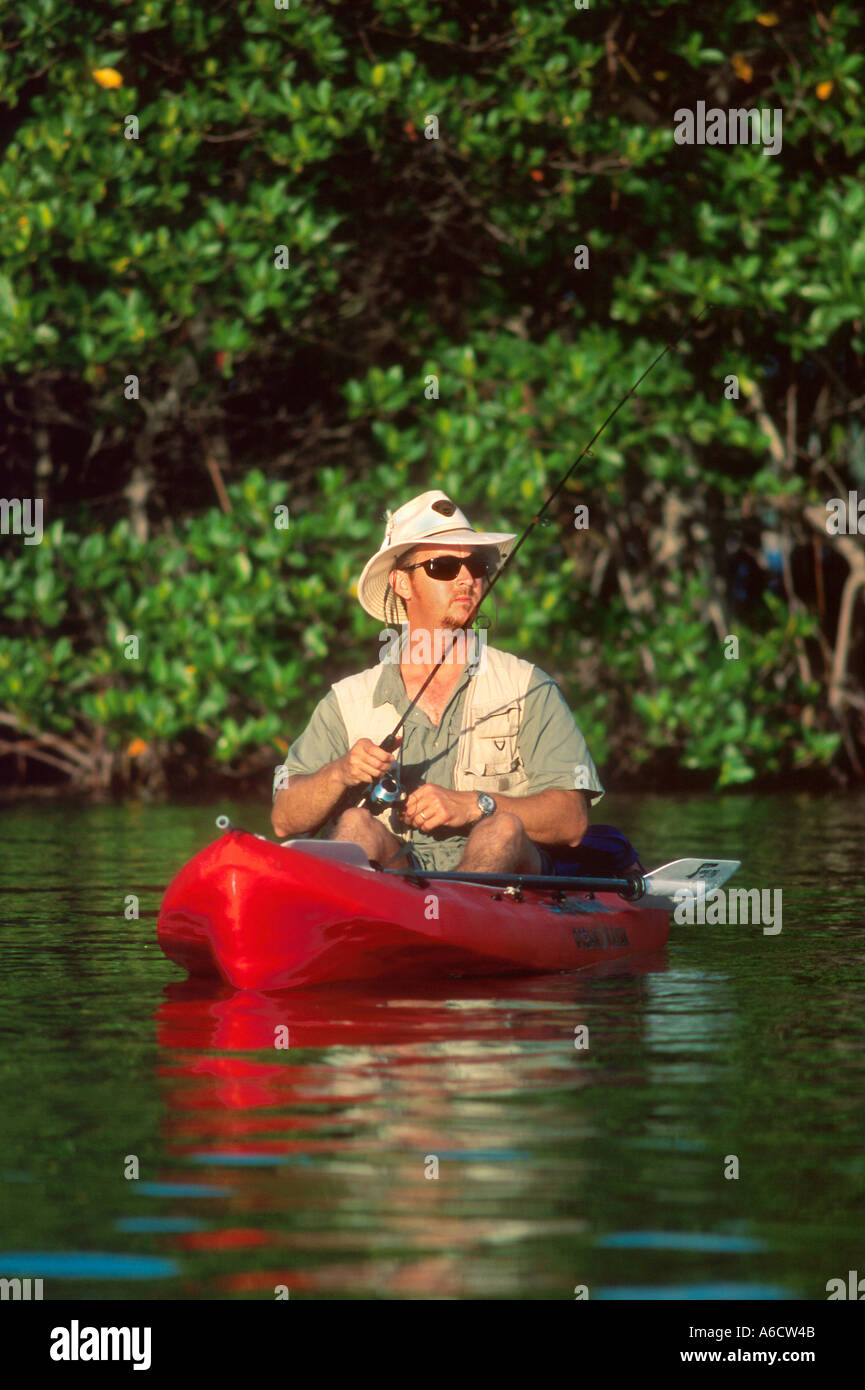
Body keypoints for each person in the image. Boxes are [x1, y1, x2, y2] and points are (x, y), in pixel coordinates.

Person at [272, 490, 641, 877]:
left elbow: (571, 820)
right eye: (444, 566)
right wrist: (341, 772)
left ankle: (461, 915)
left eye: (478, 565)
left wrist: (475, 804)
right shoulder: (346, 701)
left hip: (509, 886)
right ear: (401, 583)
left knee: (502, 829)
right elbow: (284, 819)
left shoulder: (530, 687)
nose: (467, 579)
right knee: (354, 826)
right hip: (395, 879)